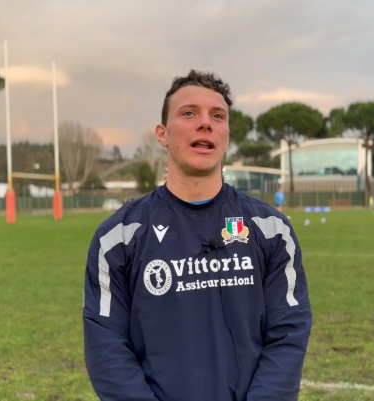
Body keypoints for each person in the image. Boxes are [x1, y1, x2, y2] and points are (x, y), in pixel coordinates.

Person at [83, 70, 312, 401]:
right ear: (162, 134)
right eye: (189, 113)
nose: (205, 123)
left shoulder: (272, 231)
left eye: (217, 116)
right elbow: (107, 349)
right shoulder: (117, 239)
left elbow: (288, 335)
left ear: (227, 137)